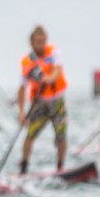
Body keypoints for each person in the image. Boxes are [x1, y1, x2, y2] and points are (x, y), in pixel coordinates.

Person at [17, 26, 67, 173]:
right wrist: (21, 112)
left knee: (61, 134)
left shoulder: (54, 51)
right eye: (37, 41)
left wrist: (48, 79)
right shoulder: (26, 61)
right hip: (39, 102)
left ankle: (60, 167)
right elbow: (21, 88)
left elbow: (57, 71)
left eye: (42, 40)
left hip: (57, 101)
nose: (40, 43)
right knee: (30, 134)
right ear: (31, 43)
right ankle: (24, 167)